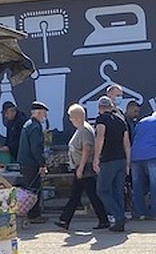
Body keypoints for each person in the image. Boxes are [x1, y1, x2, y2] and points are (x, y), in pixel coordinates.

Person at [57, 103, 106, 232]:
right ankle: (65, 219)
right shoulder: (82, 129)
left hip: (84, 168)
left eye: (71, 117)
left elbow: (87, 148)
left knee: (91, 195)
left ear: (77, 117)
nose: (70, 119)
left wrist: (80, 167)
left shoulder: (84, 130)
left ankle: (103, 219)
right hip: (81, 167)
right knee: (77, 195)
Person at [92, 95, 130, 233]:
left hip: (108, 159)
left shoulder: (101, 119)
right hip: (121, 159)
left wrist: (96, 158)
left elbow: (100, 137)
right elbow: (126, 143)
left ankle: (119, 217)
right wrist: (127, 163)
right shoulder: (121, 121)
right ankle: (120, 220)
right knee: (117, 191)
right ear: (111, 106)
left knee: (102, 190)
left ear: (100, 108)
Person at [129, 109, 156, 220]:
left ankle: (140, 213)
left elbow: (135, 138)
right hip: (153, 155)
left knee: (137, 185)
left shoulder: (141, 122)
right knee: (155, 185)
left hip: (135, 155)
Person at [16, 101, 48, 223]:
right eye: (44, 114)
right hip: (32, 163)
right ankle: (34, 215)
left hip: (25, 162)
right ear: (39, 113)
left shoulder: (27, 124)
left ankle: (30, 213)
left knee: (29, 189)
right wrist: (41, 163)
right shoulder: (36, 127)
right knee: (34, 190)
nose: (44, 117)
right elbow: (36, 147)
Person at [1, 101, 26, 167]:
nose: (5, 116)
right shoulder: (9, 122)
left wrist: (10, 148)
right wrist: (5, 146)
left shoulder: (22, 121)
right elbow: (8, 137)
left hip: (21, 155)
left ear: (13, 111)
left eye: (7, 113)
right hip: (12, 153)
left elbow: (22, 140)